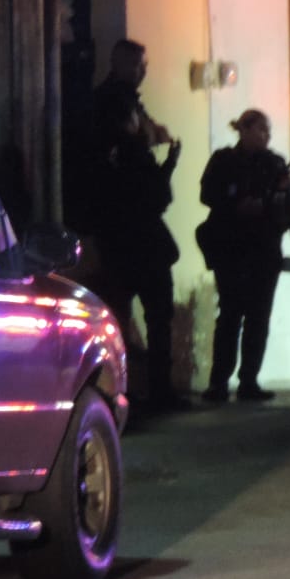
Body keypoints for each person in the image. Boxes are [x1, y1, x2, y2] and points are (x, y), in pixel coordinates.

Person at [90, 38, 185, 415]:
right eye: (139, 65)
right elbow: (151, 188)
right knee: (143, 315)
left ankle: (145, 392)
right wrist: (162, 155)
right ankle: (145, 393)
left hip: (126, 233)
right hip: (132, 235)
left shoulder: (122, 106)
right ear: (122, 64)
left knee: (144, 315)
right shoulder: (112, 109)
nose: (143, 71)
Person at [198, 109, 290, 403]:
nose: (266, 136)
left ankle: (249, 380)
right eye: (261, 129)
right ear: (244, 131)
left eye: (267, 130)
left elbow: (289, 204)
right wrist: (236, 204)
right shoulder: (224, 161)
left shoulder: (274, 164)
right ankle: (219, 382)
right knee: (230, 315)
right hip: (231, 248)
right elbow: (207, 195)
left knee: (258, 317)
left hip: (265, 249)